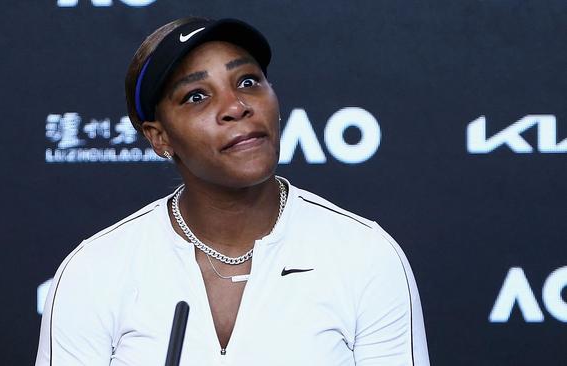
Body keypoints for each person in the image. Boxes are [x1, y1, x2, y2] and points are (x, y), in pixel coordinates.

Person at [35, 17, 430, 366]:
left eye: (247, 82)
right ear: (160, 137)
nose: (236, 106)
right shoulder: (94, 271)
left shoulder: (366, 255)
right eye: (196, 96)